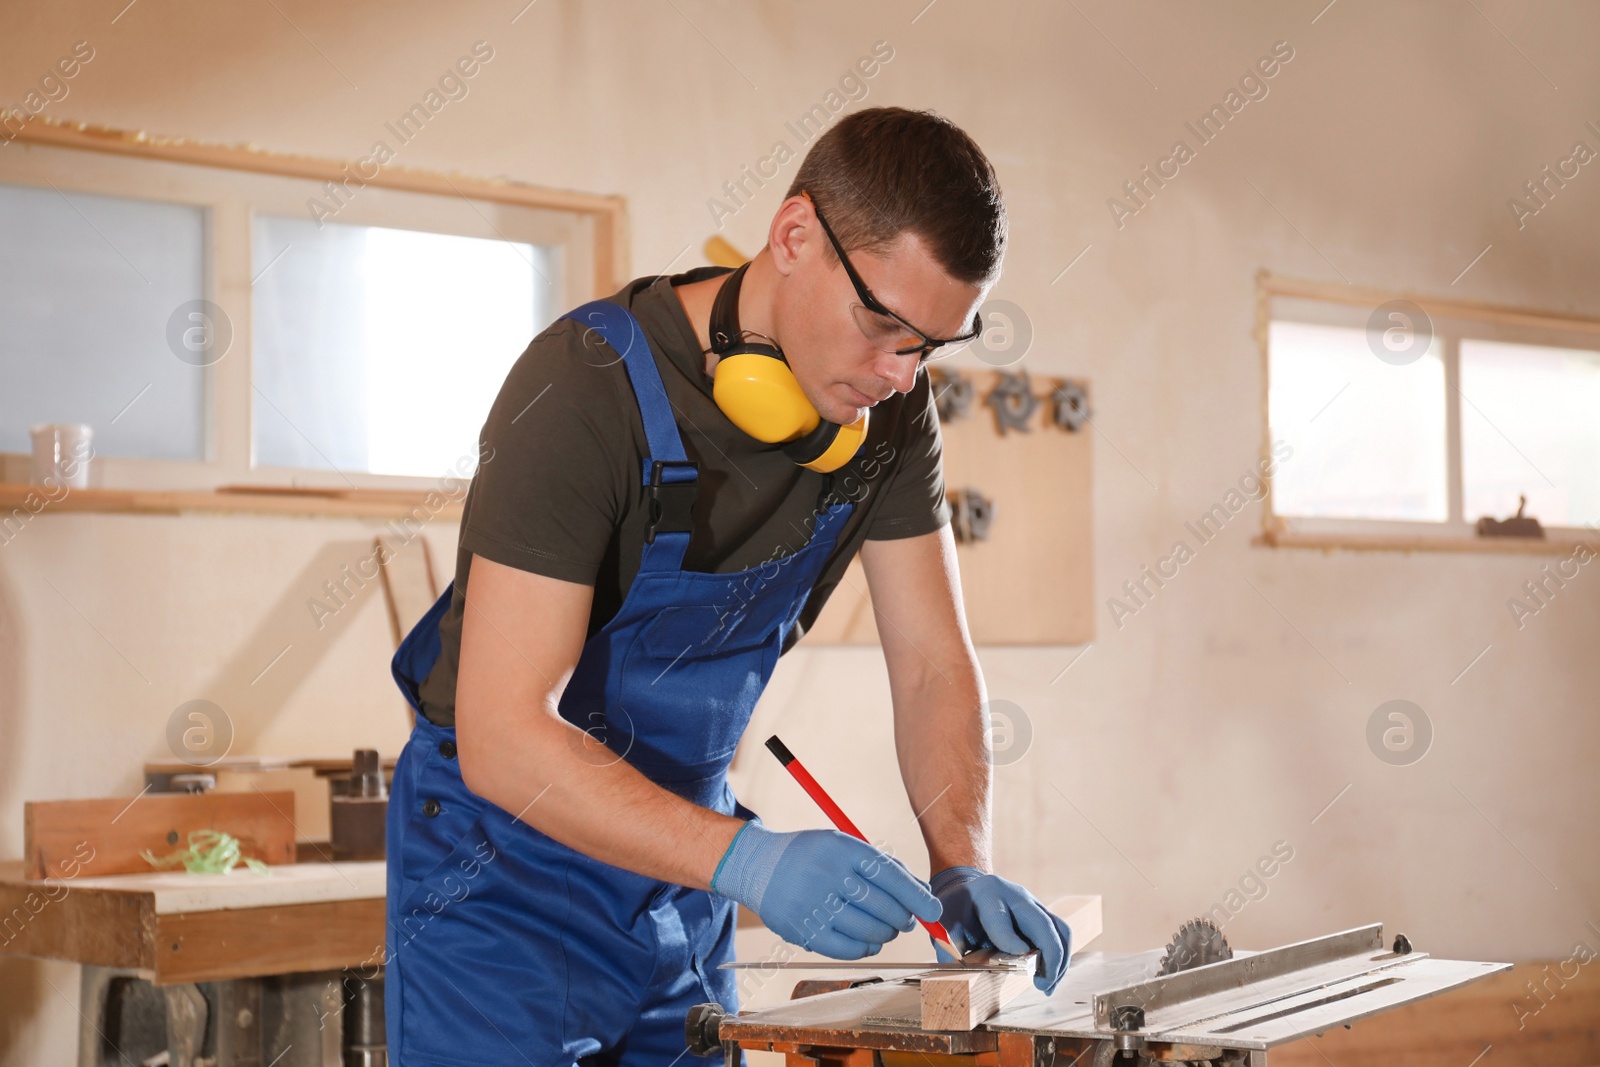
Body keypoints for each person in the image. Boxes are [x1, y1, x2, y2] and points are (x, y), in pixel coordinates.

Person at [385, 106, 1074, 1066]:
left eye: (931, 345)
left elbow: (929, 665)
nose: (898, 372)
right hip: (501, 883)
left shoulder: (889, 414)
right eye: (881, 324)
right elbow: (501, 736)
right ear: (795, 237)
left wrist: (962, 861)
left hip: (680, 872)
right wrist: (750, 860)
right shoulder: (586, 389)